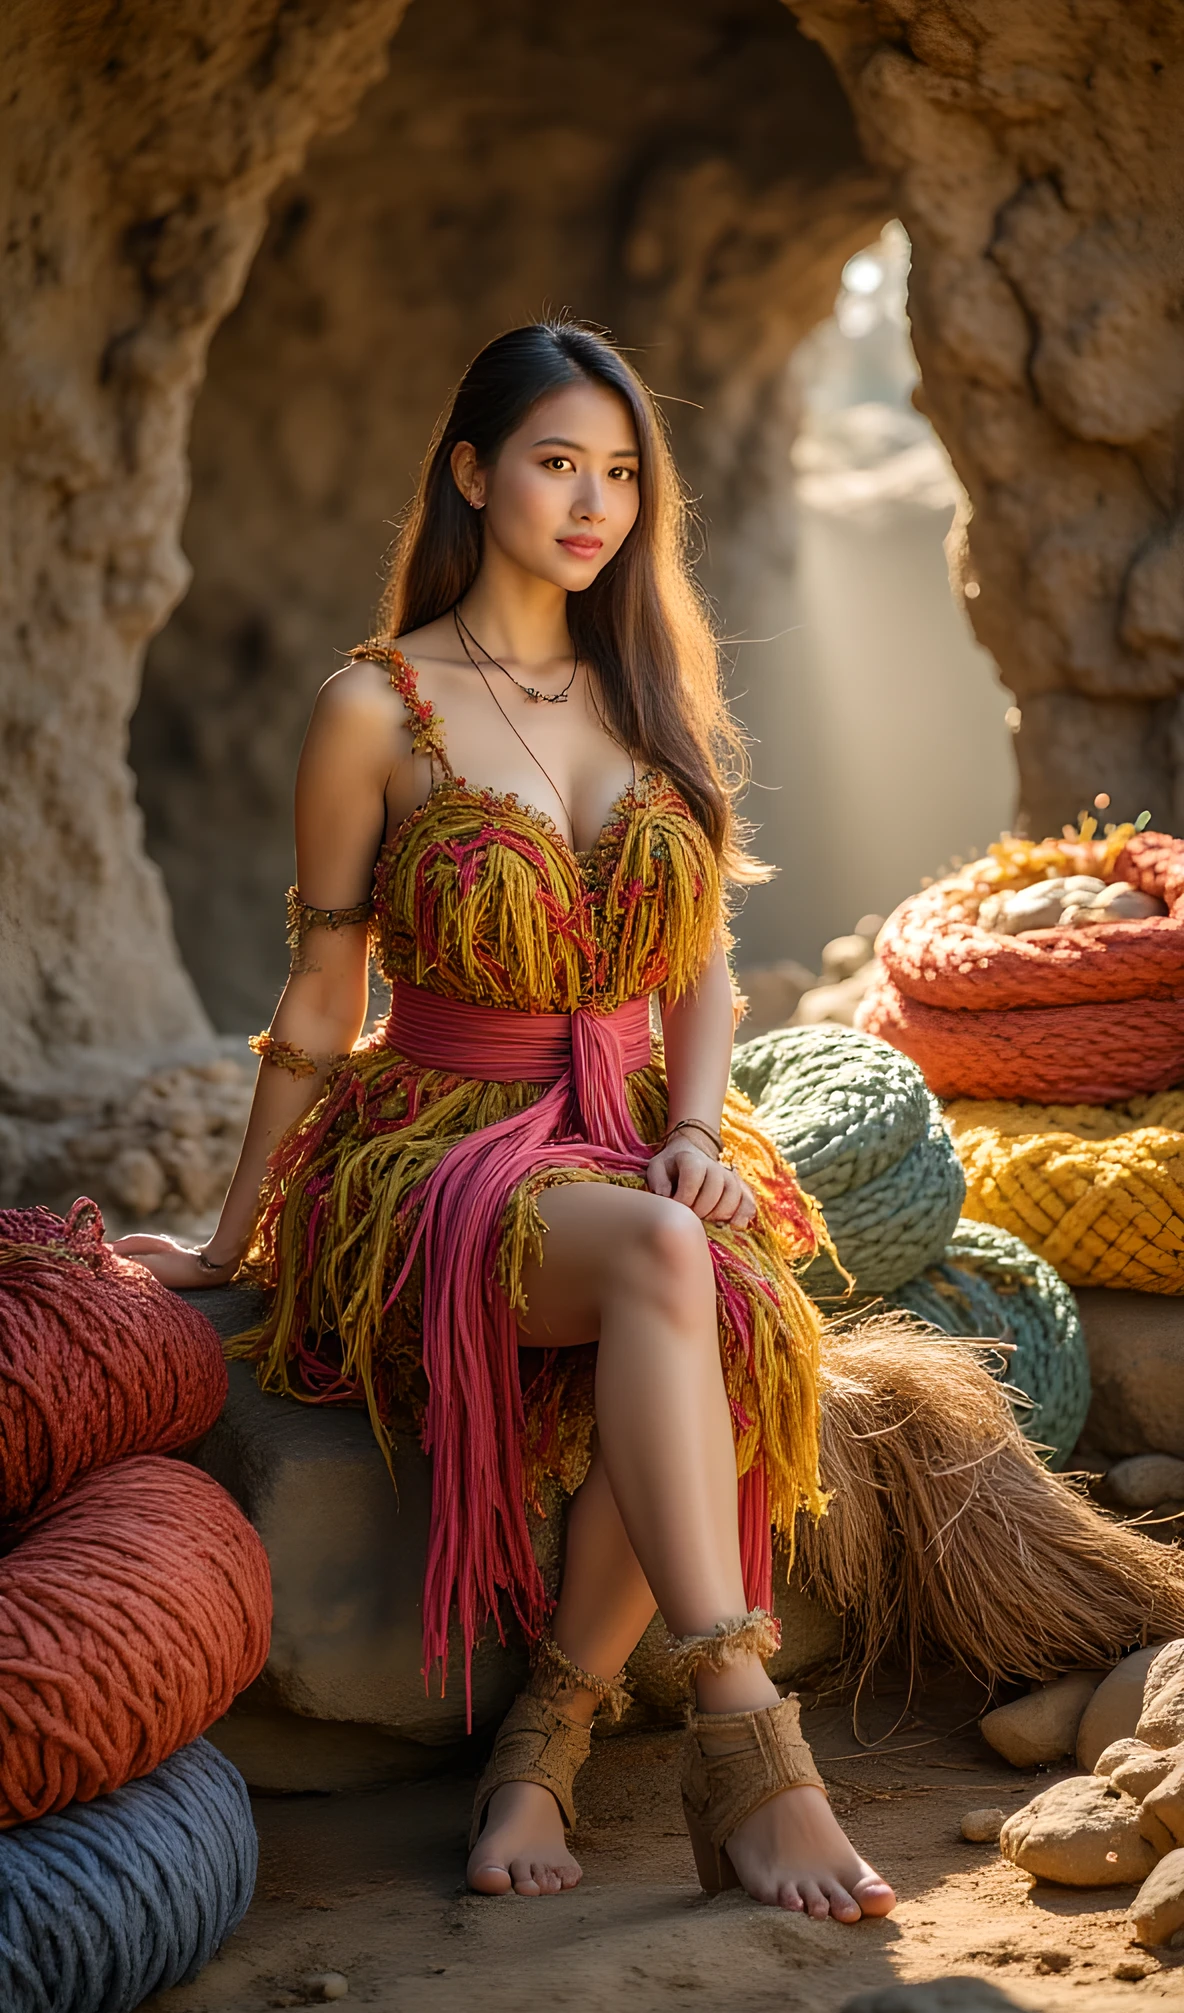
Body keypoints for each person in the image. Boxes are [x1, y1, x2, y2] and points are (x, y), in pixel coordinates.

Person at [117, 320, 894, 1920]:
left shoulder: (645, 683)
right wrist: (230, 1231)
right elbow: (322, 1008)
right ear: (472, 474)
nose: (594, 500)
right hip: (437, 1147)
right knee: (672, 1270)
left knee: (713, 1300)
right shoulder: (375, 708)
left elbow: (703, 969)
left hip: (630, 1143)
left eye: (621, 472)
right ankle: (749, 1742)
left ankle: (537, 1749)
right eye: (557, 462)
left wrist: (694, 1123)